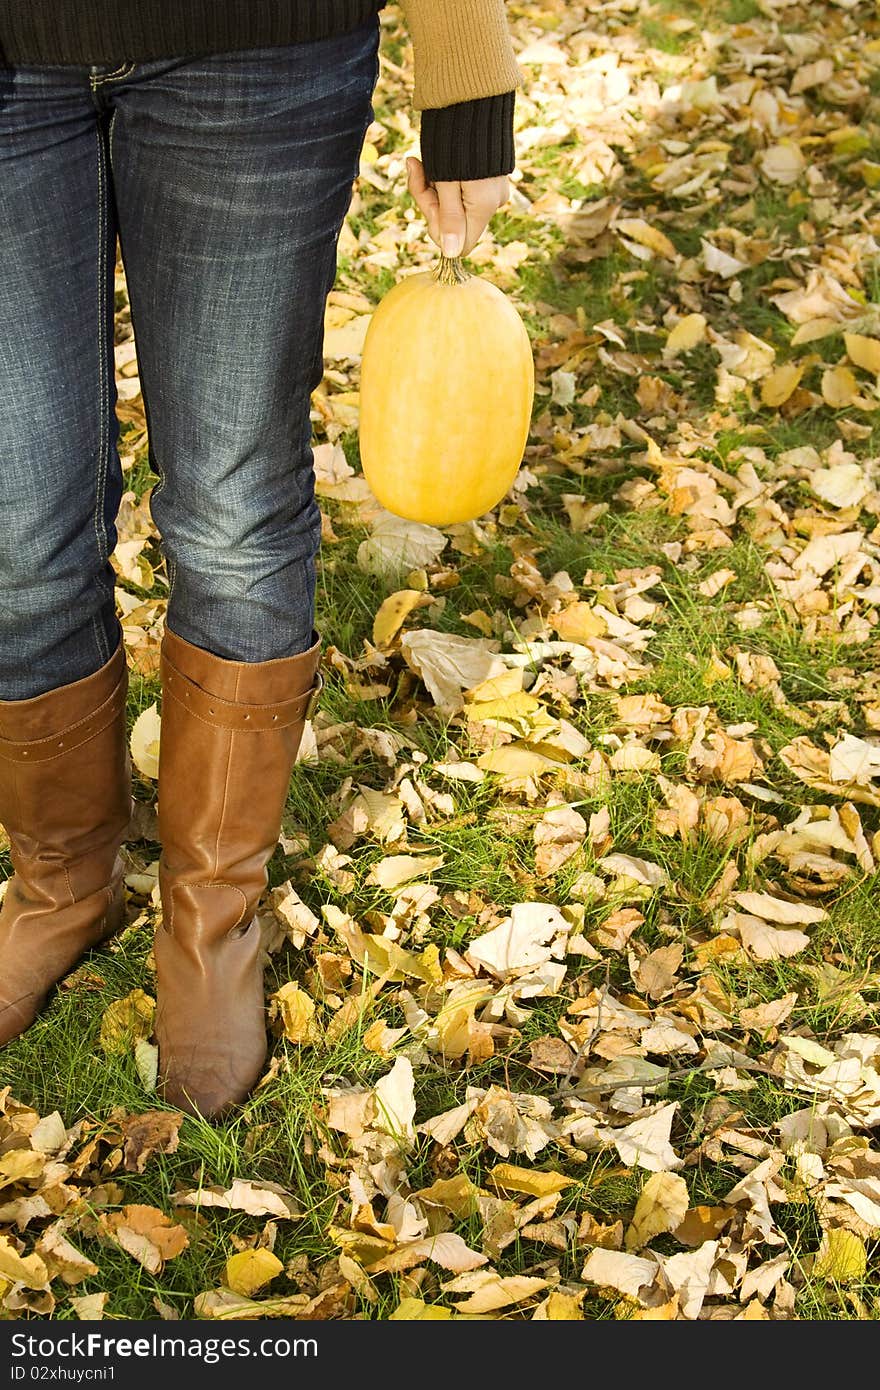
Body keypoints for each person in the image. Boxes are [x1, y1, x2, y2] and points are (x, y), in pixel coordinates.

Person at [0, 2, 522, 1117]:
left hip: (255, 43)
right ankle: (59, 888)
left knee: (233, 515)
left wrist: (466, 75)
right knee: (14, 532)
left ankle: (209, 912)